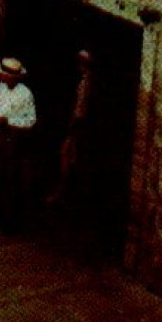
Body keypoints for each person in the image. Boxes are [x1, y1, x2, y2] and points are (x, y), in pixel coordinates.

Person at [0, 56, 37, 233]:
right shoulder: (2, 87)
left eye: (5, 76)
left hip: (14, 140)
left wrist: (7, 121)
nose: (1, 78)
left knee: (11, 181)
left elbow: (30, 121)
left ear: (14, 77)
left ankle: (10, 222)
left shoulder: (25, 94)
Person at [49, 50, 95, 205]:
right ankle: (70, 194)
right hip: (79, 126)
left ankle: (63, 194)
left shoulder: (86, 82)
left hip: (78, 127)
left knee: (68, 158)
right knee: (72, 160)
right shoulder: (86, 80)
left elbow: (80, 109)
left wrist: (72, 126)